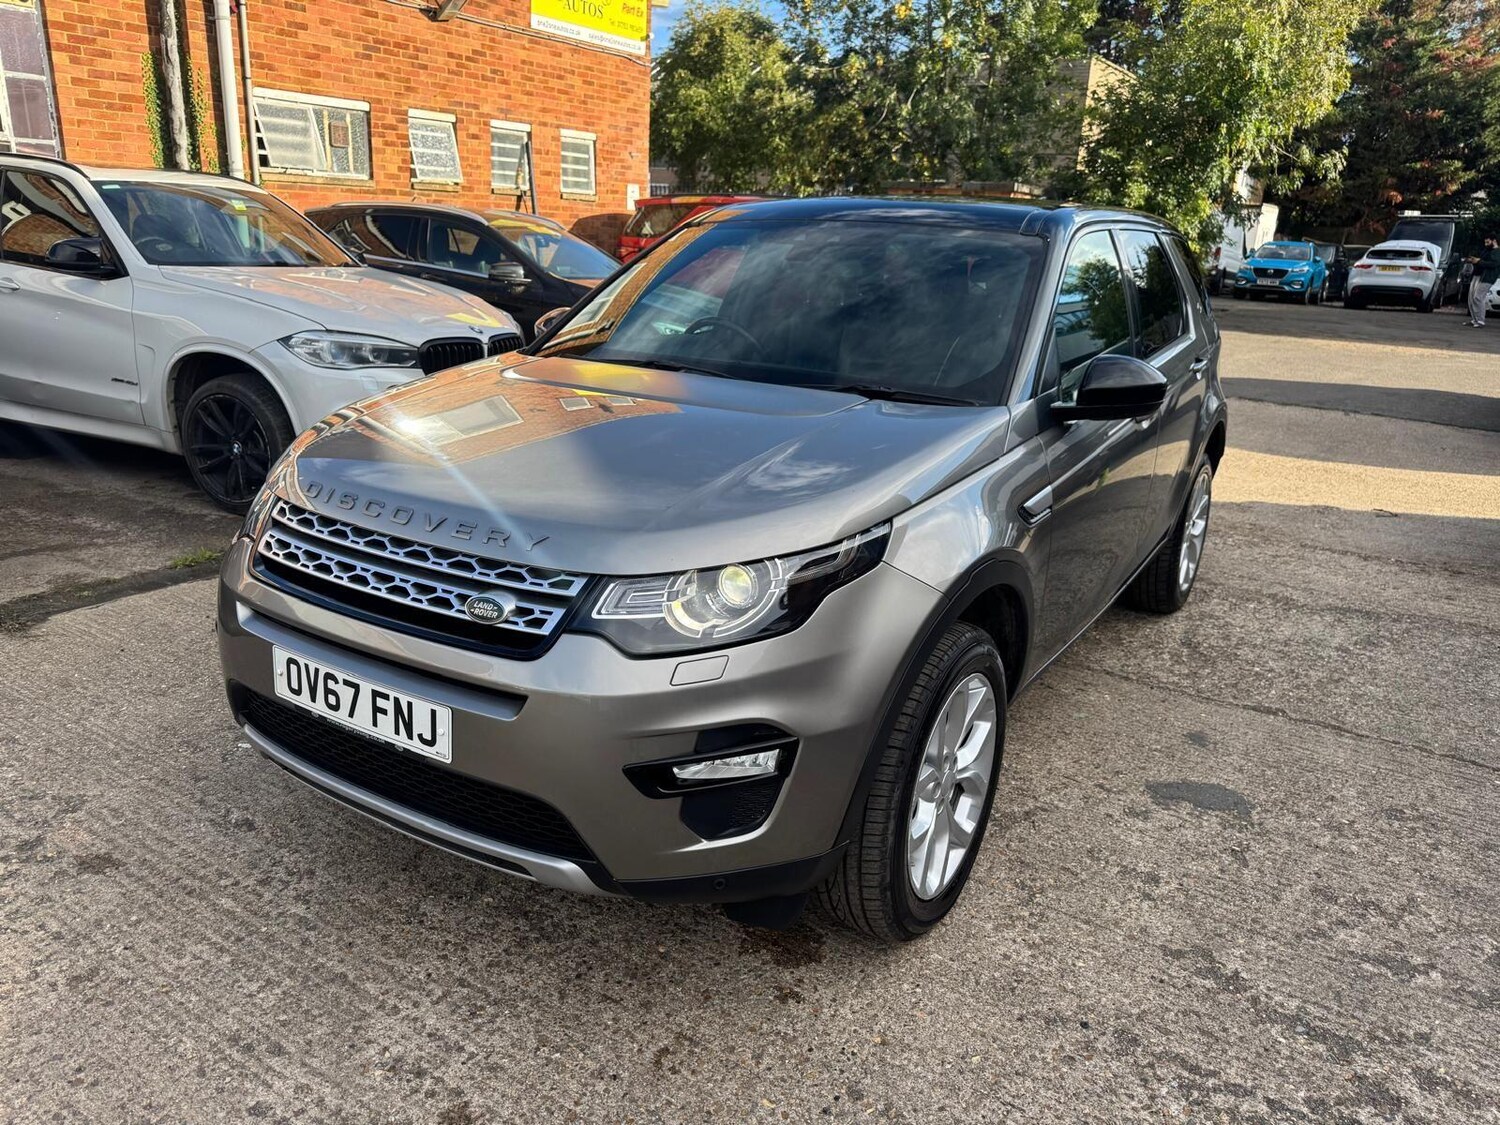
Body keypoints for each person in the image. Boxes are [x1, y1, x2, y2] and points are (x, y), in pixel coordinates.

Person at [1465, 235, 1500, 327]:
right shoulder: (1488, 251)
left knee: (1478, 297)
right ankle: (1475, 319)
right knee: (1472, 298)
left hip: (1487, 277)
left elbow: (1494, 264)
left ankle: (1480, 320)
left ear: (1494, 241)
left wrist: (1478, 261)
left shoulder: (1497, 252)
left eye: (1488, 242)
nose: (1486, 244)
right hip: (1478, 275)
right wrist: (1474, 260)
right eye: (1485, 242)